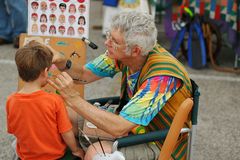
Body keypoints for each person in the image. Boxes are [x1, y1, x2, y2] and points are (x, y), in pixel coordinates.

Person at [48, 11, 193, 160]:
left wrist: (73, 98)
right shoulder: (123, 55)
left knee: (98, 154)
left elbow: (118, 127)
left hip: (159, 142)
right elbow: (84, 74)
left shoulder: (162, 77)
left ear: (135, 50)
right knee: (61, 115)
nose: (107, 42)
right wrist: (62, 62)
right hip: (134, 128)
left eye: (115, 41)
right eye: (109, 35)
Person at [6, 41, 84, 160]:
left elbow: (13, 130)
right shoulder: (54, 100)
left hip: (26, 156)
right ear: (46, 72)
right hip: (54, 156)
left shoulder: (10, 100)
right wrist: (76, 149)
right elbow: (66, 132)